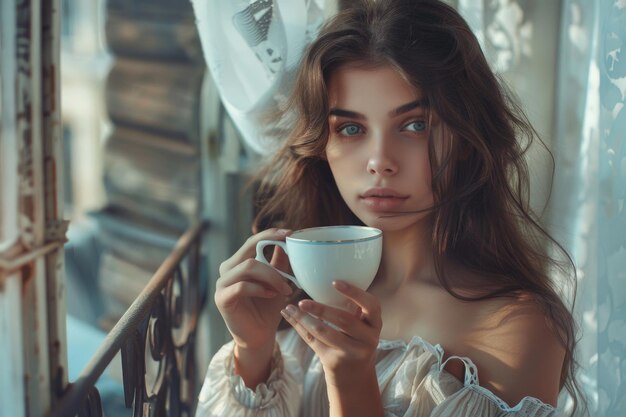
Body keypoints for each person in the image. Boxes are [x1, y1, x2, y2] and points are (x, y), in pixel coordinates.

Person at [195, 0, 585, 416]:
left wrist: (352, 381)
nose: (379, 160)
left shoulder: (515, 327)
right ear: (321, 146)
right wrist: (252, 350)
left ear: (468, 139)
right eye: (350, 128)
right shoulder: (293, 292)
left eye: (415, 125)